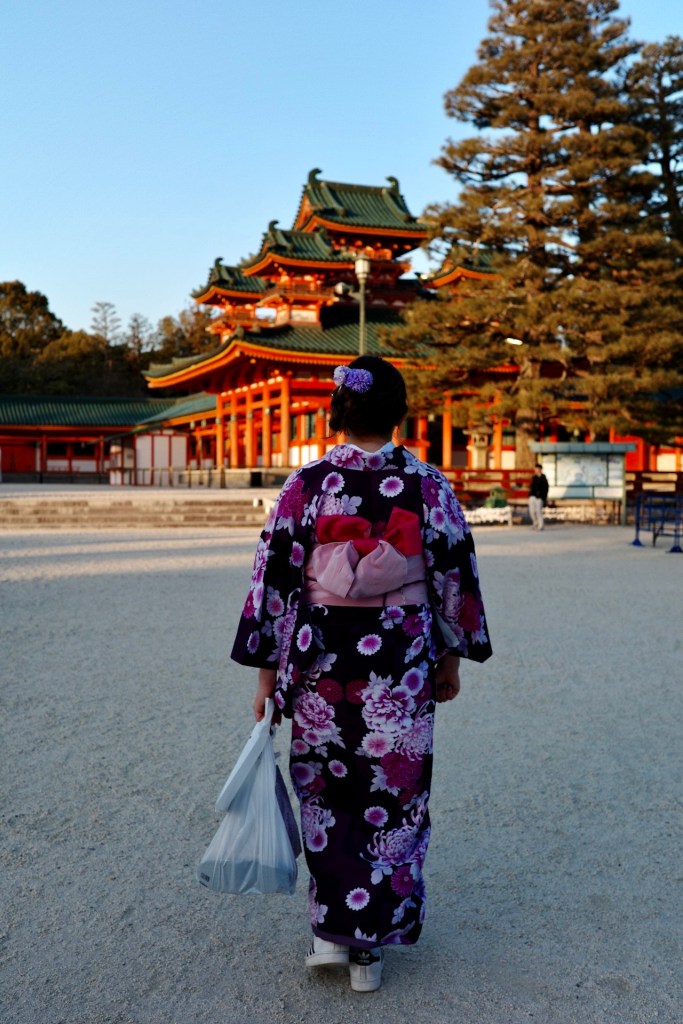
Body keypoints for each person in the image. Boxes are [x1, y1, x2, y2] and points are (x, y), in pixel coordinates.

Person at [231, 355, 492, 993]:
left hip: (321, 661)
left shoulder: (306, 484)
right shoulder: (430, 485)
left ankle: (328, 931)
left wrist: (267, 673)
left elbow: (274, 579)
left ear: (339, 412)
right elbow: (455, 572)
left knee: (325, 790)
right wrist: (452, 654)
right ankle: (368, 948)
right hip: (398, 663)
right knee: (393, 794)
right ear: (399, 413)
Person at [528, 463, 549, 530]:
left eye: (537, 468)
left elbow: (546, 488)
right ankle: (535, 522)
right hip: (532, 496)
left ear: (540, 469)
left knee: (538, 511)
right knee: (531, 511)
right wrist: (530, 495)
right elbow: (531, 487)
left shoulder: (543, 478)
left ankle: (541, 525)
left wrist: (543, 497)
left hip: (540, 497)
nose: (536, 470)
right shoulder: (534, 477)